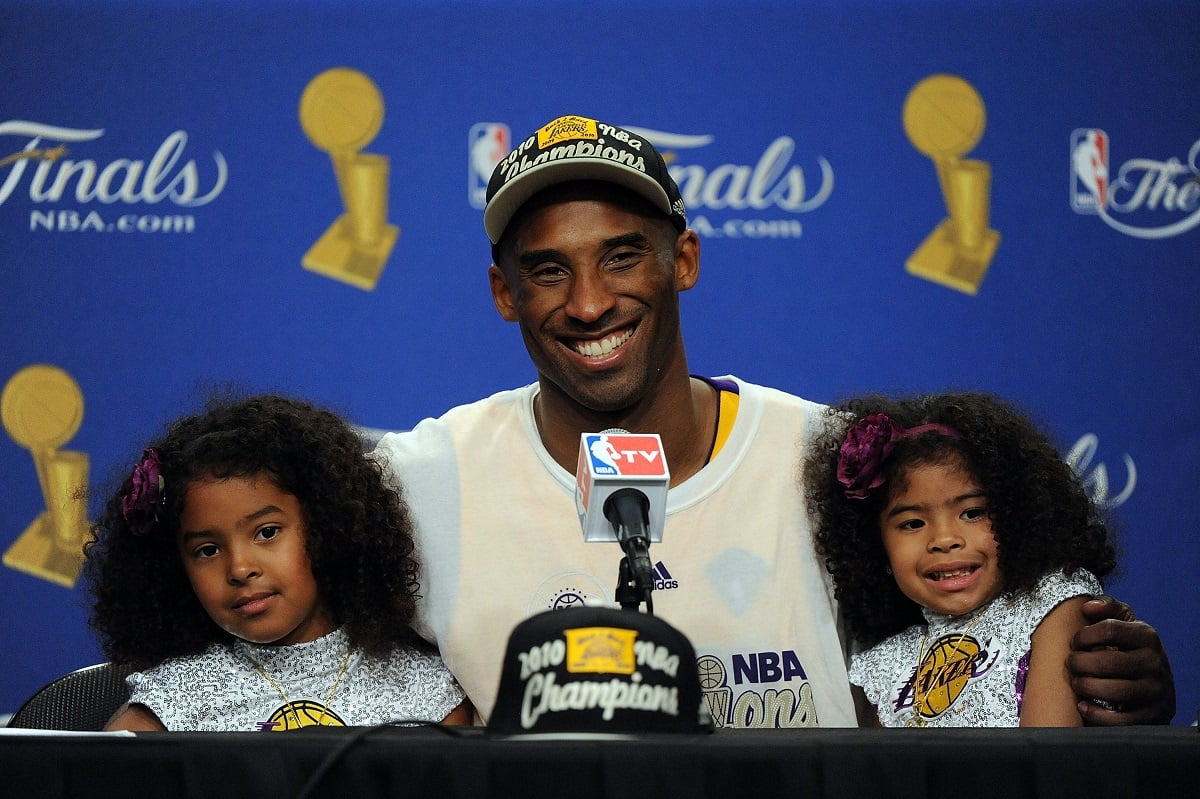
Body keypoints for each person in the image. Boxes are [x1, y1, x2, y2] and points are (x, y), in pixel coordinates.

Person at [373, 114, 1175, 727]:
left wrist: (1109, 670)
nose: (588, 303)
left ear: (682, 259)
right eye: (549, 271)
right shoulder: (424, 479)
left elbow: (979, 647)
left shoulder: (835, 461)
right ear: (503, 293)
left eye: (622, 255)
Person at [85, 394, 470, 731]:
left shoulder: (429, 693)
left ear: (326, 527)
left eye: (266, 532)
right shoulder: (171, 706)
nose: (239, 568)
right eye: (207, 550)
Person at [806, 392, 1120, 726]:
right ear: (876, 546)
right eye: (912, 523)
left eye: (972, 513)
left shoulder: (1055, 605)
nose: (944, 540)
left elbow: (1050, 764)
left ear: (1019, 516)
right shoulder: (881, 664)